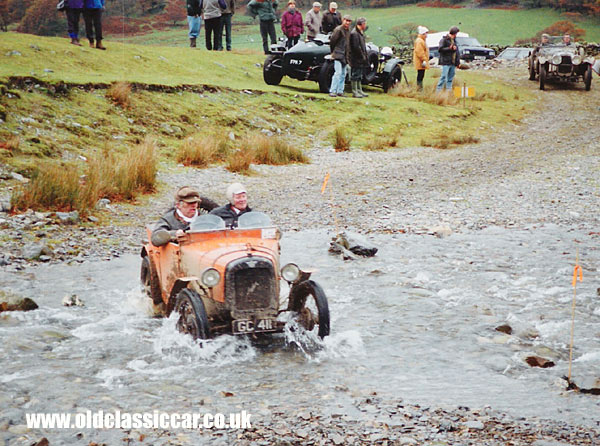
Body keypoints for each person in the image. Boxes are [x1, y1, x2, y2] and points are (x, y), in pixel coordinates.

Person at [151, 187, 219, 246]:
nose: (194, 205)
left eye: (195, 202)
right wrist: (174, 234)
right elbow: (155, 238)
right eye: (189, 203)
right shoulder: (168, 220)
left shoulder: (206, 218)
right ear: (178, 205)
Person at [328, 14, 351, 97]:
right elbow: (332, 41)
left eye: (349, 21)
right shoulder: (338, 30)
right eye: (346, 20)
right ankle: (332, 91)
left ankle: (340, 91)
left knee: (343, 74)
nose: (347, 22)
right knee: (337, 73)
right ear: (342, 20)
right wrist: (333, 52)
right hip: (337, 54)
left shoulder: (348, 31)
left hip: (345, 56)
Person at [436, 26, 460, 92]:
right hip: (445, 62)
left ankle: (448, 92)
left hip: (453, 62)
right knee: (443, 77)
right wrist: (450, 48)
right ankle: (438, 92)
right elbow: (440, 50)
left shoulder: (455, 41)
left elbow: (457, 52)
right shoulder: (444, 40)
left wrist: (457, 62)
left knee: (450, 79)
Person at [349, 17, 368, 98]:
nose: (365, 25)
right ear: (362, 24)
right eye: (365, 23)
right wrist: (362, 55)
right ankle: (355, 91)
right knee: (355, 74)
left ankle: (359, 90)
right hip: (356, 58)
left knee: (359, 74)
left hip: (360, 58)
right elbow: (356, 47)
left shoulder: (360, 32)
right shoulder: (354, 33)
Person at [413, 25, 429, 91]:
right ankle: (419, 89)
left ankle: (419, 88)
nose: (427, 35)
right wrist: (424, 60)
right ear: (423, 34)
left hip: (421, 61)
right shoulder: (420, 41)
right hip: (421, 62)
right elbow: (419, 52)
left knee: (421, 75)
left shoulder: (420, 40)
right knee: (420, 76)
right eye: (426, 33)